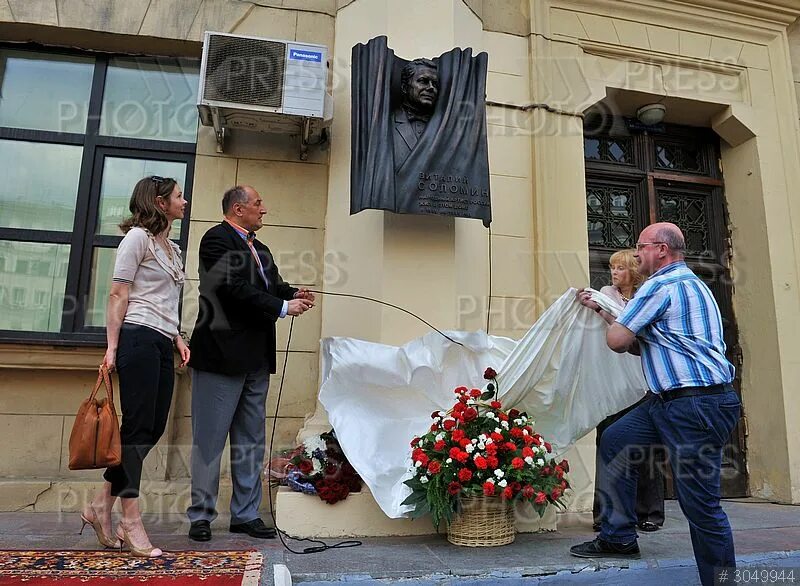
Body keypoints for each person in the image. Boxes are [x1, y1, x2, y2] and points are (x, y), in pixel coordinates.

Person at [572, 222, 740, 586]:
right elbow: (639, 344)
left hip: (694, 404)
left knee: (701, 506)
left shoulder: (658, 286)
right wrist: (610, 314)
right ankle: (618, 537)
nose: (635, 254)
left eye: (640, 247)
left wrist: (608, 313)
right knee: (617, 440)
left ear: (661, 250)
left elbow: (618, 341)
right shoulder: (695, 284)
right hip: (673, 401)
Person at [186, 185, 315, 542]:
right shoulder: (216, 240)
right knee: (209, 441)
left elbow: (270, 285)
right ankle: (201, 515)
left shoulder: (261, 248)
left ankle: (245, 515)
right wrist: (282, 308)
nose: (264, 209)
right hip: (220, 357)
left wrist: (292, 293)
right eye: (259, 203)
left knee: (250, 441)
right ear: (238, 208)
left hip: (256, 358)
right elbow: (231, 288)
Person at [81, 175, 190, 558]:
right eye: (178, 195)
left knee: (151, 427)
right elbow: (119, 292)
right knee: (137, 428)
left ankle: (99, 505)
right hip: (137, 338)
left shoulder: (171, 248)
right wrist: (112, 347)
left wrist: (177, 335)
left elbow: (163, 298)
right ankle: (130, 519)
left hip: (161, 340)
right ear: (160, 202)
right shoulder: (137, 239)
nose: (184, 200)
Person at [591, 249, 665, 533]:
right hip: (611, 381)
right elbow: (618, 325)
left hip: (644, 380)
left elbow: (638, 330)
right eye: (612, 268)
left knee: (646, 449)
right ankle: (604, 513)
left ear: (633, 272)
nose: (614, 273)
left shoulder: (647, 297)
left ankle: (650, 512)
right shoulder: (605, 295)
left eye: (620, 268)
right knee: (608, 443)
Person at [393, 58, 438, 171]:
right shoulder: (387, 124)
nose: (431, 88)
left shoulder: (443, 127)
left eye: (435, 84)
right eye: (423, 81)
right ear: (404, 87)